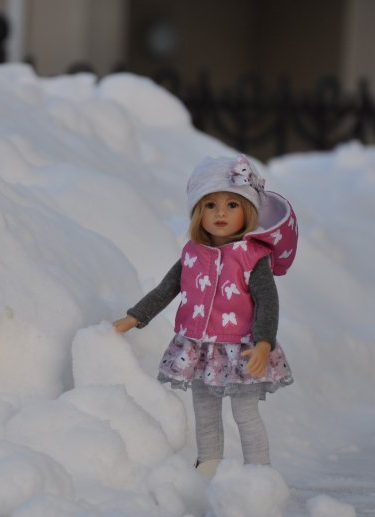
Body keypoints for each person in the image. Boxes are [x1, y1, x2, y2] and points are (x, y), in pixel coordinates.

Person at [113, 154, 297, 478]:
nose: (221, 213)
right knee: (206, 413)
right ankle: (208, 475)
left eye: (232, 204)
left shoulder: (253, 256)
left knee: (245, 413)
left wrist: (264, 342)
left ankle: (259, 478)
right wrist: (133, 317)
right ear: (198, 212)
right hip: (198, 349)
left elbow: (268, 301)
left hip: (243, 349)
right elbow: (165, 290)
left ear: (248, 210)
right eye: (210, 205)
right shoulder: (191, 254)